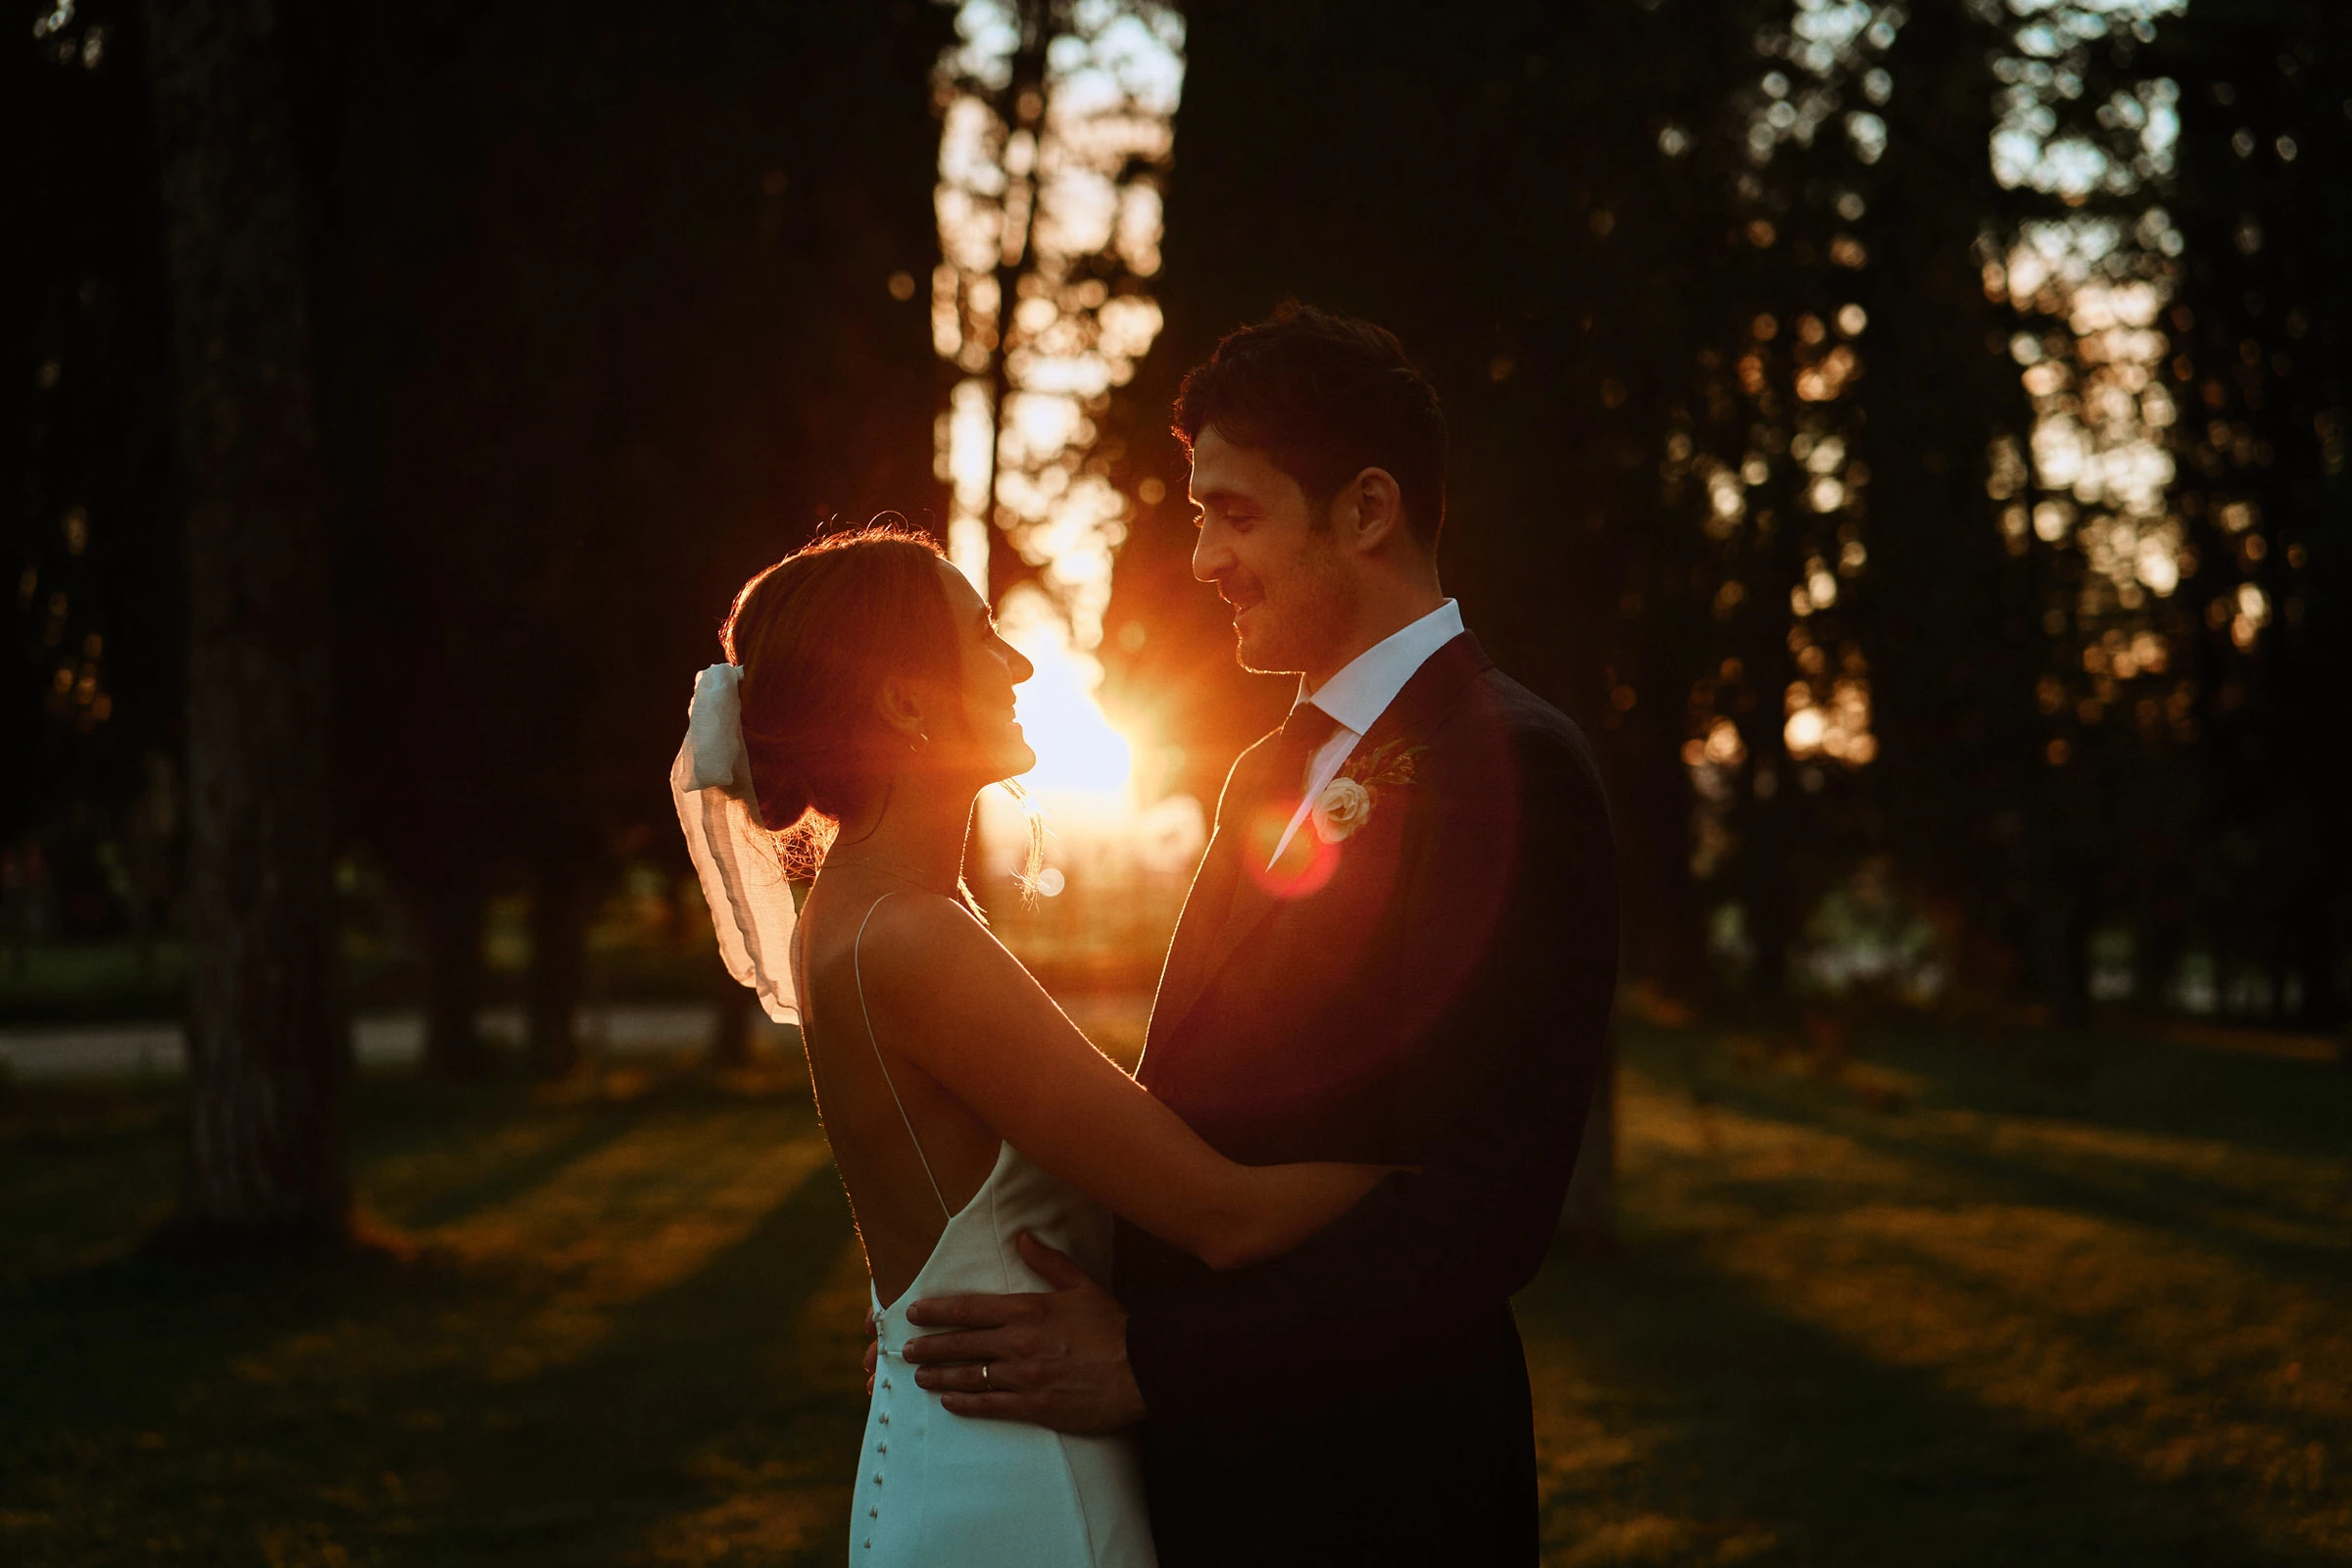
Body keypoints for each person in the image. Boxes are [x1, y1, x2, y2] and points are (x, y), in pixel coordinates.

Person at [889, 305, 1620, 1564]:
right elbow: (1190, 1115)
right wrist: (980, 1297)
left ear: (1367, 509)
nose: (1204, 559)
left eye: (1235, 514)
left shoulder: (1510, 766)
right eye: (1195, 518)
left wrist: (1153, 1363)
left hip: (1380, 1486)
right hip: (1212, 1488)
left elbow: (1481, 1210)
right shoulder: (1265, 772)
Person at [671, 522, 1395, 1567]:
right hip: (1025, 1496)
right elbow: (1222, 1214)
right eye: (985, 636)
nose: (1019, 663)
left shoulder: (861, 909)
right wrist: (1441, 1165)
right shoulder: (912, 937)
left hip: (953, 1457)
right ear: (906, 700)